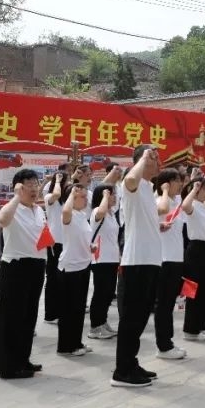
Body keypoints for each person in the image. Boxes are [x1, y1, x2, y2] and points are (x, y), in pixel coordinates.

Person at [111, 144, 164, 388]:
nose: (158, 162)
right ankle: (122, 371)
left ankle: (131, 363)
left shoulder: (148, 188)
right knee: (131, 319)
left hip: (150, 260)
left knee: (141, 318)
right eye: (154, 158)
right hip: (136, 261)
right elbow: (130, 179)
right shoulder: (131, 183)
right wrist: (143, 157)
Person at [0, 169, 47, 379]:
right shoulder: (12, 207)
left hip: (37, 265)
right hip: (16, 266)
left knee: (28, 316)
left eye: (36, 184)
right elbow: (1, 220)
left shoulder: (39, 210)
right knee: (12, 318)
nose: (34, 188)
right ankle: (9, 367)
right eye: (29, 184)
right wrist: (16, 196)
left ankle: (23, 359)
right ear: (19, 187)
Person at [153, 167, 187, 361]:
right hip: (164, 259)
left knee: (169, 303)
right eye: (176, 181)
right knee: (163, 304)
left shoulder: (176, 202)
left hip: (176, 258)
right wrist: (164, 190)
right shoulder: (160, 200)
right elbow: (162, 210)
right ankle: (163, 346)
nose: (180, 184)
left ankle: (168, 342)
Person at [57, 182, 93, 357]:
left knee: (78, 309)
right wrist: (72, 193)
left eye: (86, 196)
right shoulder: (67, 214)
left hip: (83, 265)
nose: (86, 200)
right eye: (82, 197)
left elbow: (82, 237)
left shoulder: (81, 215)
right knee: (69, 310)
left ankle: (76, 342)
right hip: (70, 267)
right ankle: (66, 346)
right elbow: (65, 211)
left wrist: (90, 246)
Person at [182, 177, 205, 341]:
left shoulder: (204, 206)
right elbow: (185, 206)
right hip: (196, 249)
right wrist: (194, 188)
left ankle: (201, 326)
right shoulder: (193, 205)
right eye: (203, 189)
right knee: (194, 290)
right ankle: (190, 330)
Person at [88, 188, 119, 340]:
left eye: (114, 194)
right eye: (111, 194)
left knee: (108, 293)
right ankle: (95, 326)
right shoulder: (97, 212)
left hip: (112, 258)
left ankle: (103, 322)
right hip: (100, 259)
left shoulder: (112, 214)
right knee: (101, 293)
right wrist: (105, 196)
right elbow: (100, 211)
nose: (114, 197)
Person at [42, 171, 69, 325]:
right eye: (66, 182)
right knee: (53, 277)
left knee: (62, 278)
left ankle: (60, 310)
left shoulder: (65, 201)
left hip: (65, 241)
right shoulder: (49, 198)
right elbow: (56, 194)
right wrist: (57, 180)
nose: (67, 185)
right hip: (54, 242)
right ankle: (50, 314)